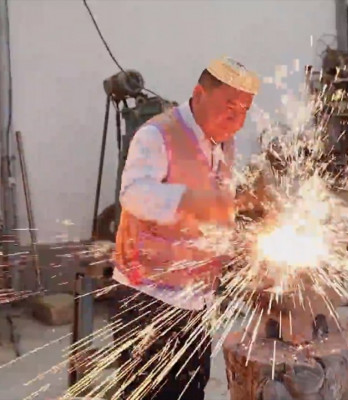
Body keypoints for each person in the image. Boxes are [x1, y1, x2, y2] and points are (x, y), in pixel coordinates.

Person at [111, 57, 260, 400]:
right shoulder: (157, 135)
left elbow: (219, 206)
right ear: (199, 94)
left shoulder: (224, 143)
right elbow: (134, 194)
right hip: (149, 298)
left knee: (191, 389)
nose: (237, 120)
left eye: (245, 111)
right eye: (230, 107)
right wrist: (191, 201)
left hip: (197, 300)